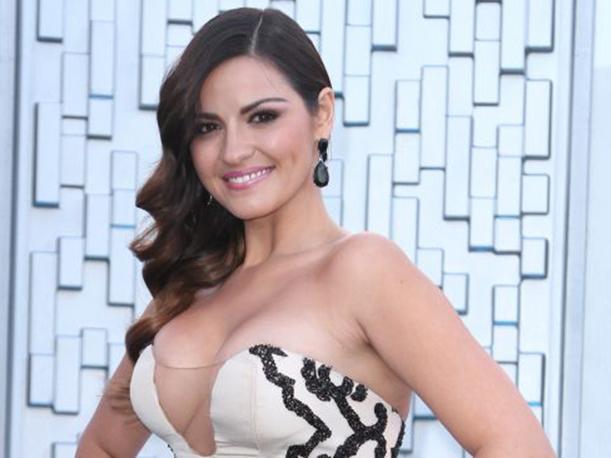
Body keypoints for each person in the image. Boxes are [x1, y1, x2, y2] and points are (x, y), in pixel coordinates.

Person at [76, 6, 556, 458]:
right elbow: (102, 446)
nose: (234, 151)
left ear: (322, 114)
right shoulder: (187, 286)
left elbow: (518, 445)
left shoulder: (364, 270)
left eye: (262, 117)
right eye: (207, 127)